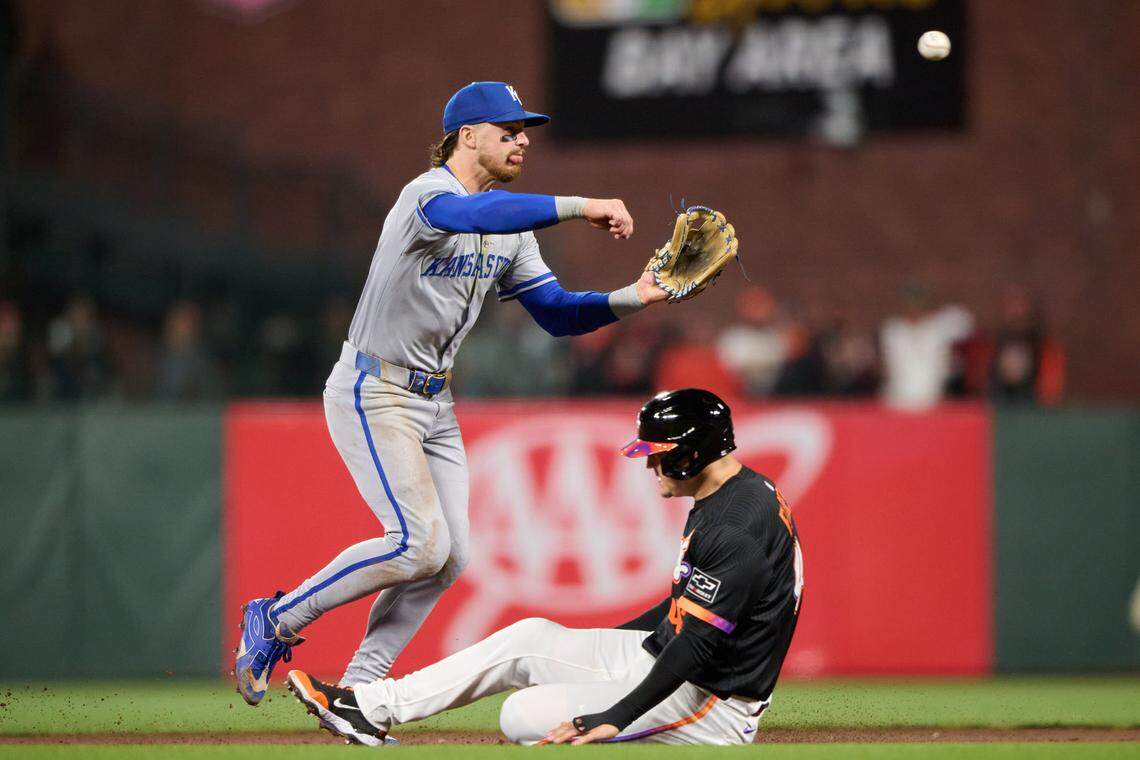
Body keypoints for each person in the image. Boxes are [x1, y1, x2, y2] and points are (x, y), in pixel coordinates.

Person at [234, 81, 674, 706]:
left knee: (450, 557)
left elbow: (555, 313)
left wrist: (633, 297)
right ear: (468, 135)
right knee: (418, 542)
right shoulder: (427, 195)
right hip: (374, 388)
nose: (524, 140)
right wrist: (581, 203)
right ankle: (276, 620)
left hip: (435, 403)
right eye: (509, 130)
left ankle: (359, 686)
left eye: (526, 131)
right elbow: (471, 214)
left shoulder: (512, 229)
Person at [284, 388, 804, 746]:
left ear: (693, 453)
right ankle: (369, 707)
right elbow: (684, 612)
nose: (649, 463)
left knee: (522, 716)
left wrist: (613, 716)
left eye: (658, 451)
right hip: (679, 661)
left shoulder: (735, 527)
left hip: (713, 702)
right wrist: (602, 650)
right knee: (530, 637)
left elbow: (698, 643)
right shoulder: (733, 492)